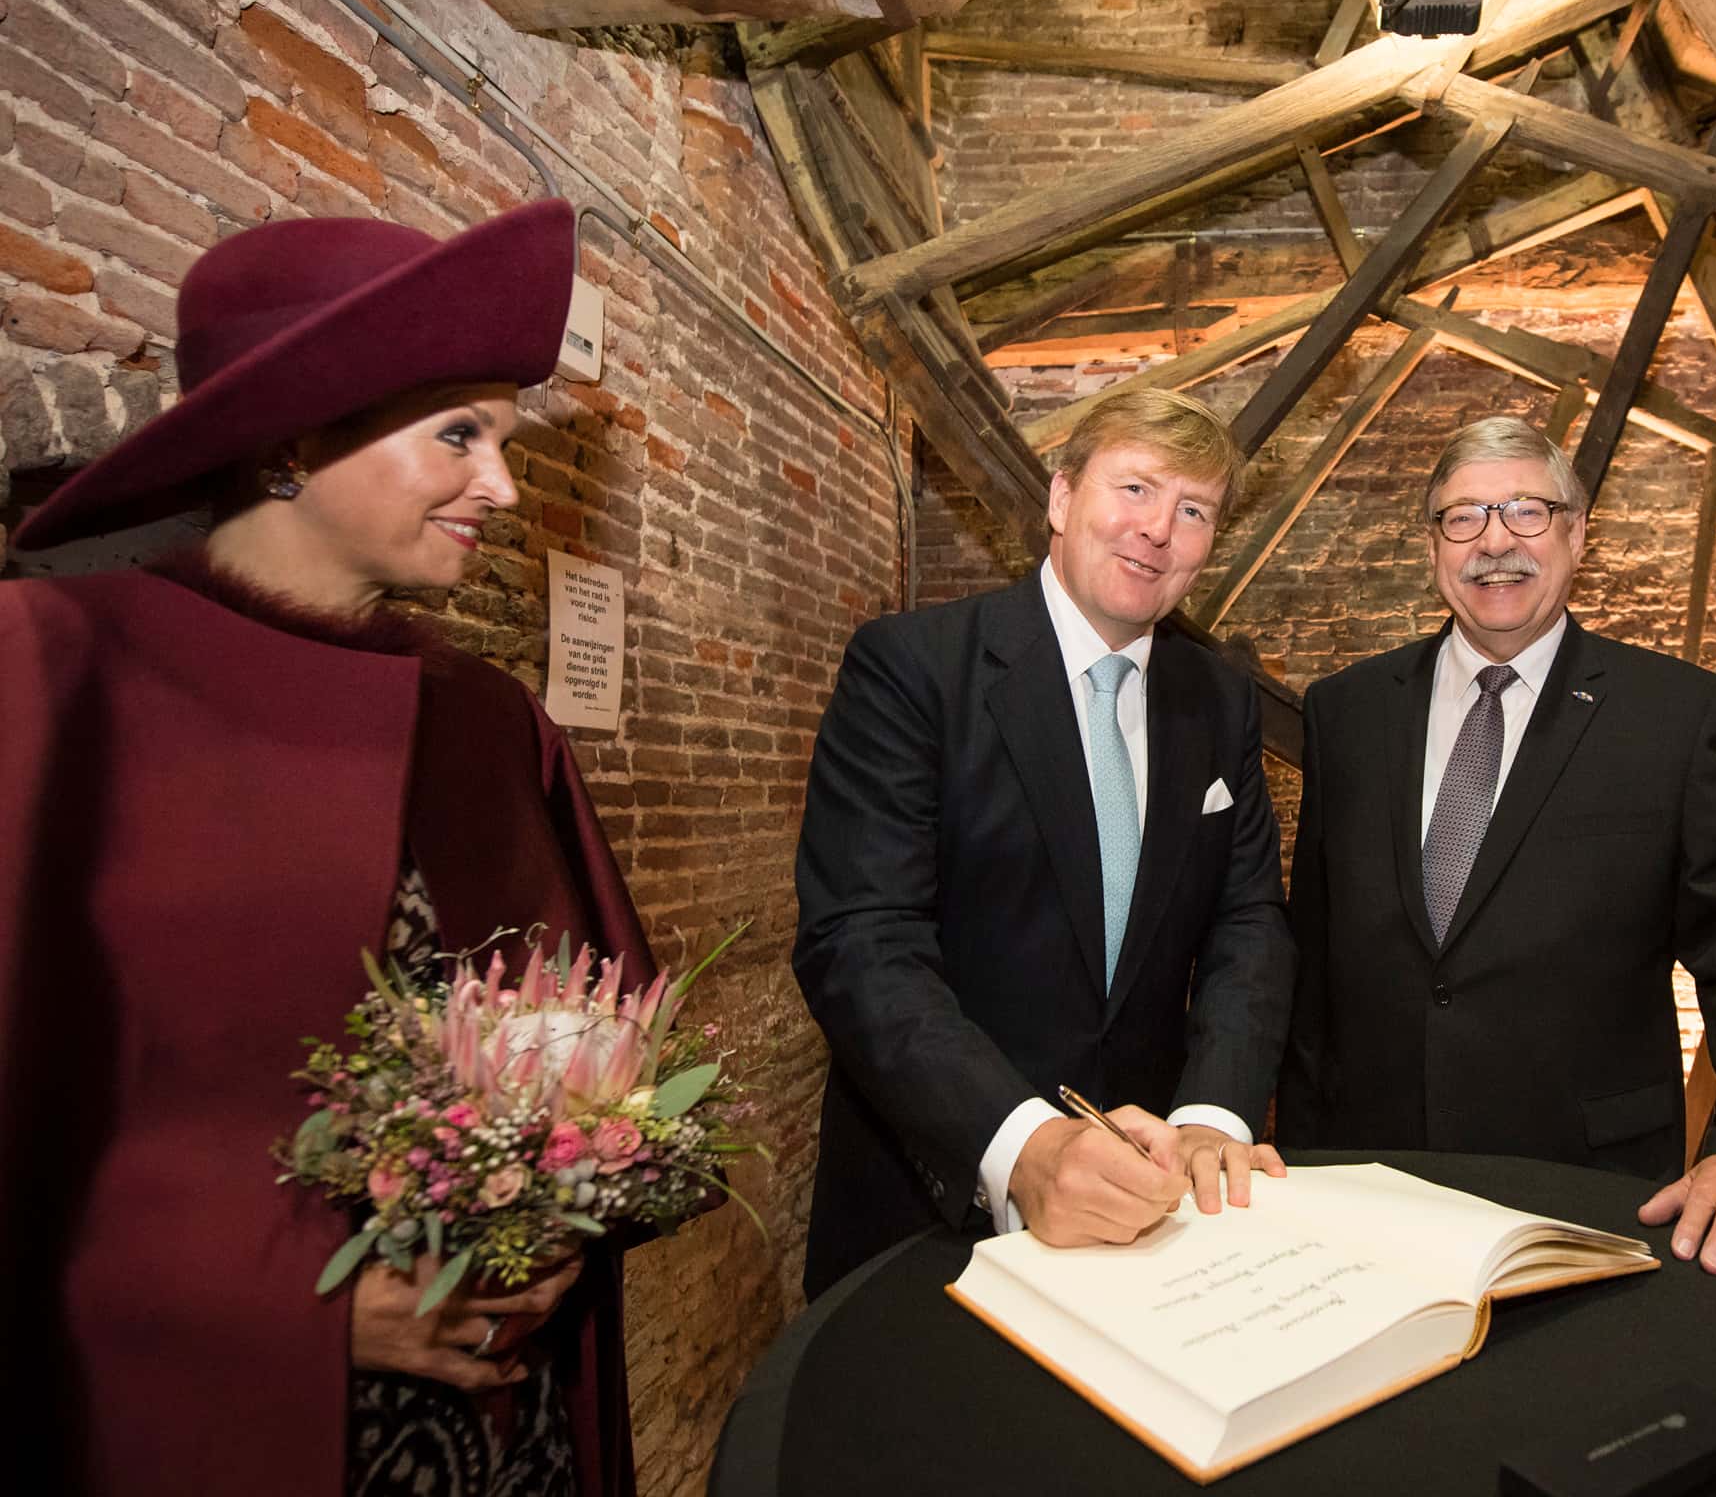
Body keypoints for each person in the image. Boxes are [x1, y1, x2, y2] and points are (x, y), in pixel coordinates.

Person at [0, 200, 650, 1497]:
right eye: (458, 434)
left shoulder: (492, 723)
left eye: (505, 441)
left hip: (499, 1426)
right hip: (202, 1422)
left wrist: (559, 1227)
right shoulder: (53, 672)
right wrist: (305, 1310)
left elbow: (600, 1049)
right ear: (292, 443)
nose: (502, 486)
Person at [1277, 417, 1716, 1279]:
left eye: (1526, 511)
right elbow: (1315, 963)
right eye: (1463, 517)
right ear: (1432, 547)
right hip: (1368, 1195)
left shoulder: (1673, 717)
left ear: (1577, 534)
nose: (1494, 541)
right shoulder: (1347, 711)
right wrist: (1296, 1163)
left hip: (1590, 1197)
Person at [792, 390, 1295, 1293]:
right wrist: (1023, 1145)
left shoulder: (1220, 701)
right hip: (935, 1215)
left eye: (1194, 512)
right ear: (1061, 497)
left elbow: (1248, 922)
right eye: (1135, 488)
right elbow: (861, 942)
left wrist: (1213, 1113)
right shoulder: (912, 668)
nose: (1158, 530)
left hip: (1156, 1214)